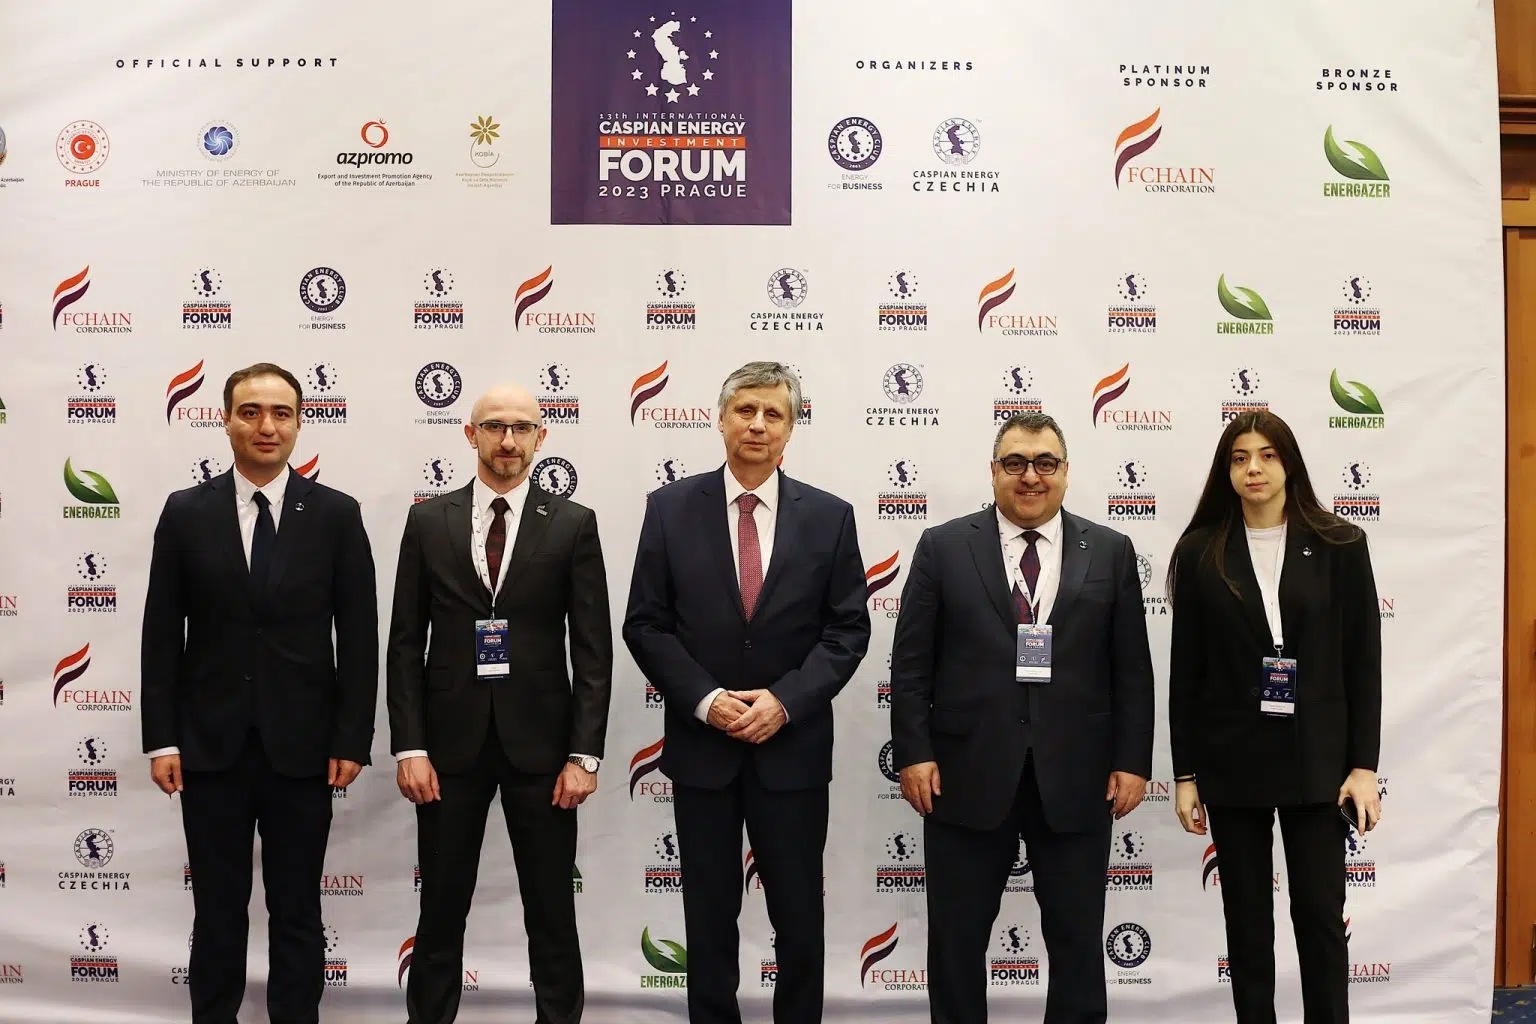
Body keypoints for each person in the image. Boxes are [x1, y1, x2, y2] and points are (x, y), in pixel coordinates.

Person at [622, 361, 870, 1024]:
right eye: (746, 410)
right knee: (707, 913)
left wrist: (785, 702)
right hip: (702, 749)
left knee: (799, 914)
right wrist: (706, 700)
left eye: (773, 414)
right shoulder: (670, 509)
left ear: (791, 428)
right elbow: (645, 623)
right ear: (721, 418)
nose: (758, 424)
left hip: (792, 748)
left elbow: (848, 629)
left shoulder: (830, 517)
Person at [890, 410, 1154, 1024]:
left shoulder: (1111, 551)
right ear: (993, 471)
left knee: (1077, 939)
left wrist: (1132, 762)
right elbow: (911, 665)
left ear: (1066, 472)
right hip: (965, 773)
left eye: (1044, 463)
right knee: (956, 941)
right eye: (1015, 463)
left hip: (1079, 775)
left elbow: (1131, 670)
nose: (1030, 476)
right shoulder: (943, 547)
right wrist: (914, 752)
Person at [141, 362, 378, 1024]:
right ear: (225, 420)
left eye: (281, 413)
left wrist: (351, 737)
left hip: (304, 749)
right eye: (250, 412)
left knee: (297, 910)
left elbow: (359, 637)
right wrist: (162, 738)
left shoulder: (335, 514)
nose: (266, 426)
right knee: (217, 911)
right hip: (208, 747)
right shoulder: (186, 513)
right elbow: (161, 632)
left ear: (299, 423)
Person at [388, 382, 612, 1024]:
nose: (508, 440)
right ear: (471, 434)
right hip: (446, 751)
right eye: (494, 426)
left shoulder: (573, 524)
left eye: (521, 427)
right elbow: (404, 642)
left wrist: (585, 756)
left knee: (551, 911)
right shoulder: (428, 521)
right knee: (440, 910)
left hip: (544, 752)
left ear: (542, 436)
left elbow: (592, 649)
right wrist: (410, 747)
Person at [1167, 410, 1381, 1024]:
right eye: (1239, 458)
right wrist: (1185, 774)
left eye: (1266, 455)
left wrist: (1363, 766)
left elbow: (1363, 663)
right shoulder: (1200, 551)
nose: (1253, 469)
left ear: (1289, 463)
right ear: (1226, 470)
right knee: (1247, 925)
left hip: (1319, 761)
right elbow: (1187, 673)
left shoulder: (1340, 544)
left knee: (1319, 917)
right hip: (1233, 761)